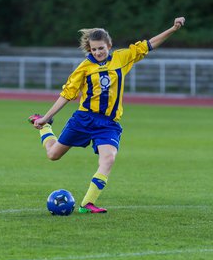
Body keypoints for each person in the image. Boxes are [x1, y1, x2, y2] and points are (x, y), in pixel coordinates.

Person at [28, 17, 185, 214]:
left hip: (108, 123)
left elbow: (149, 45)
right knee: (53, 155)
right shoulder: (84, 67)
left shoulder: (122, 58)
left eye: (101, 48)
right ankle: (45, 128)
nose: (98, 52)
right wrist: (45, 117)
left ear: (109, 45)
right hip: (84, 119)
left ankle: (87, 204)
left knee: (108, 159)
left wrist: (172, 29)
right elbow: (67, 94)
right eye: (94, 49)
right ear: (90, 50)